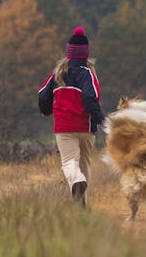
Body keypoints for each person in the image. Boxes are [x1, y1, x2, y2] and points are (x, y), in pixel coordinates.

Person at [38, 27, 104, 207]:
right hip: (85, 127)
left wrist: (45, 111)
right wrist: (99, 117)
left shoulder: (57, 74)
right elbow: (90, 97)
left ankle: (76, 183)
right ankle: (82, 201)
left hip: (64, 127)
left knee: (69, 162)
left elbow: (43, 95)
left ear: (68, 53)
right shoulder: (88, 74)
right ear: (86, 54)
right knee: (84, 164)